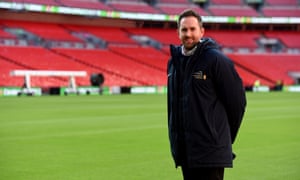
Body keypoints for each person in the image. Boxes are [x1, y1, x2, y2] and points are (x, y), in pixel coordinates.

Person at [167, 9, 246, 180]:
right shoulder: (173, 63)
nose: (188, 34)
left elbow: (237, 104)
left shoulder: (216, 60)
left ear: (202, 31)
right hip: (186, 152)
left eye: (193, 29)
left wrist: (220, 139)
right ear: (178, 32)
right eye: (184, 30)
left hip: (210, 153)